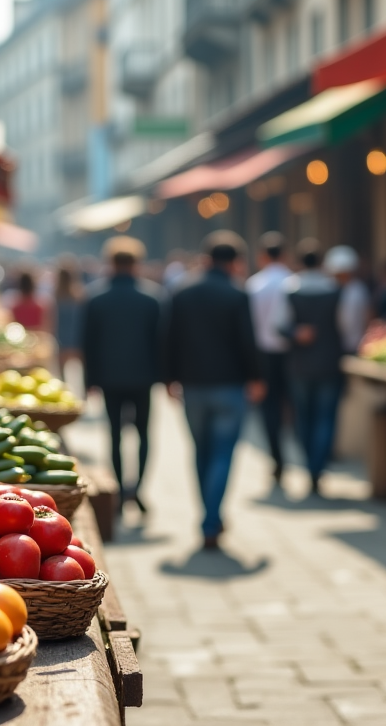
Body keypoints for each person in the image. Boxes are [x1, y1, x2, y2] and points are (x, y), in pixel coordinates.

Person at [165, 231, 264, 549]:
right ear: (235, 262)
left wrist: (169, 377)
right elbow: (248, 341)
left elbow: (169, 338)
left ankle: (208, 516)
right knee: (222, 453)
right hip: (230, 386)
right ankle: (211, 519)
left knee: (202, 452)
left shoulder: (182, 291)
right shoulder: (237, 294)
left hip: (193, 385)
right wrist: (257, 377)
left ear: (207, 258)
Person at [81, 237, 162, 513]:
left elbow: (88, 343)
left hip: (109, 377)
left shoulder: (96, 298)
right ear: (136, 264)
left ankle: (117, 488)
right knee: (143, 434)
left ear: (111, 263)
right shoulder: (152, 297)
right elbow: (161, 342)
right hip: (143, 377)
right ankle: (137, 489)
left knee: (114, 434)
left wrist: (88, 380)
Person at [282, 240, 346, 497]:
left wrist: (295, 333)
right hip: (329, 361)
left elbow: (279, 325)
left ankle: (309, 465)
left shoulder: (290, 289)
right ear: (321, 263)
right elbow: (346, 327)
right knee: (325, 417)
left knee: (304, 417)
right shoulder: (336, 289)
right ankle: (317, 468)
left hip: (300, 364)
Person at [246, 231, 293, 487]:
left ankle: (277, 457)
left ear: (263, 256)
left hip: (263, 354)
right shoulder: (292, 282)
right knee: (294, 406)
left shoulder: (254, 285)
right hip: (291, 354)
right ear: (284, 255)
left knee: (269, 408)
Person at [325, 245, 370, 354]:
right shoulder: (328, 288)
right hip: (332, 346)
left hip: (356, 344)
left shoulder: (359, 290)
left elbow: (367, 315)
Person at [53, 264, 84, 380]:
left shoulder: (56, 295)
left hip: (60, 336)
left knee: (62, 372)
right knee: (80, 370)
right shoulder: (79, 295)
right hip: (76, 336)